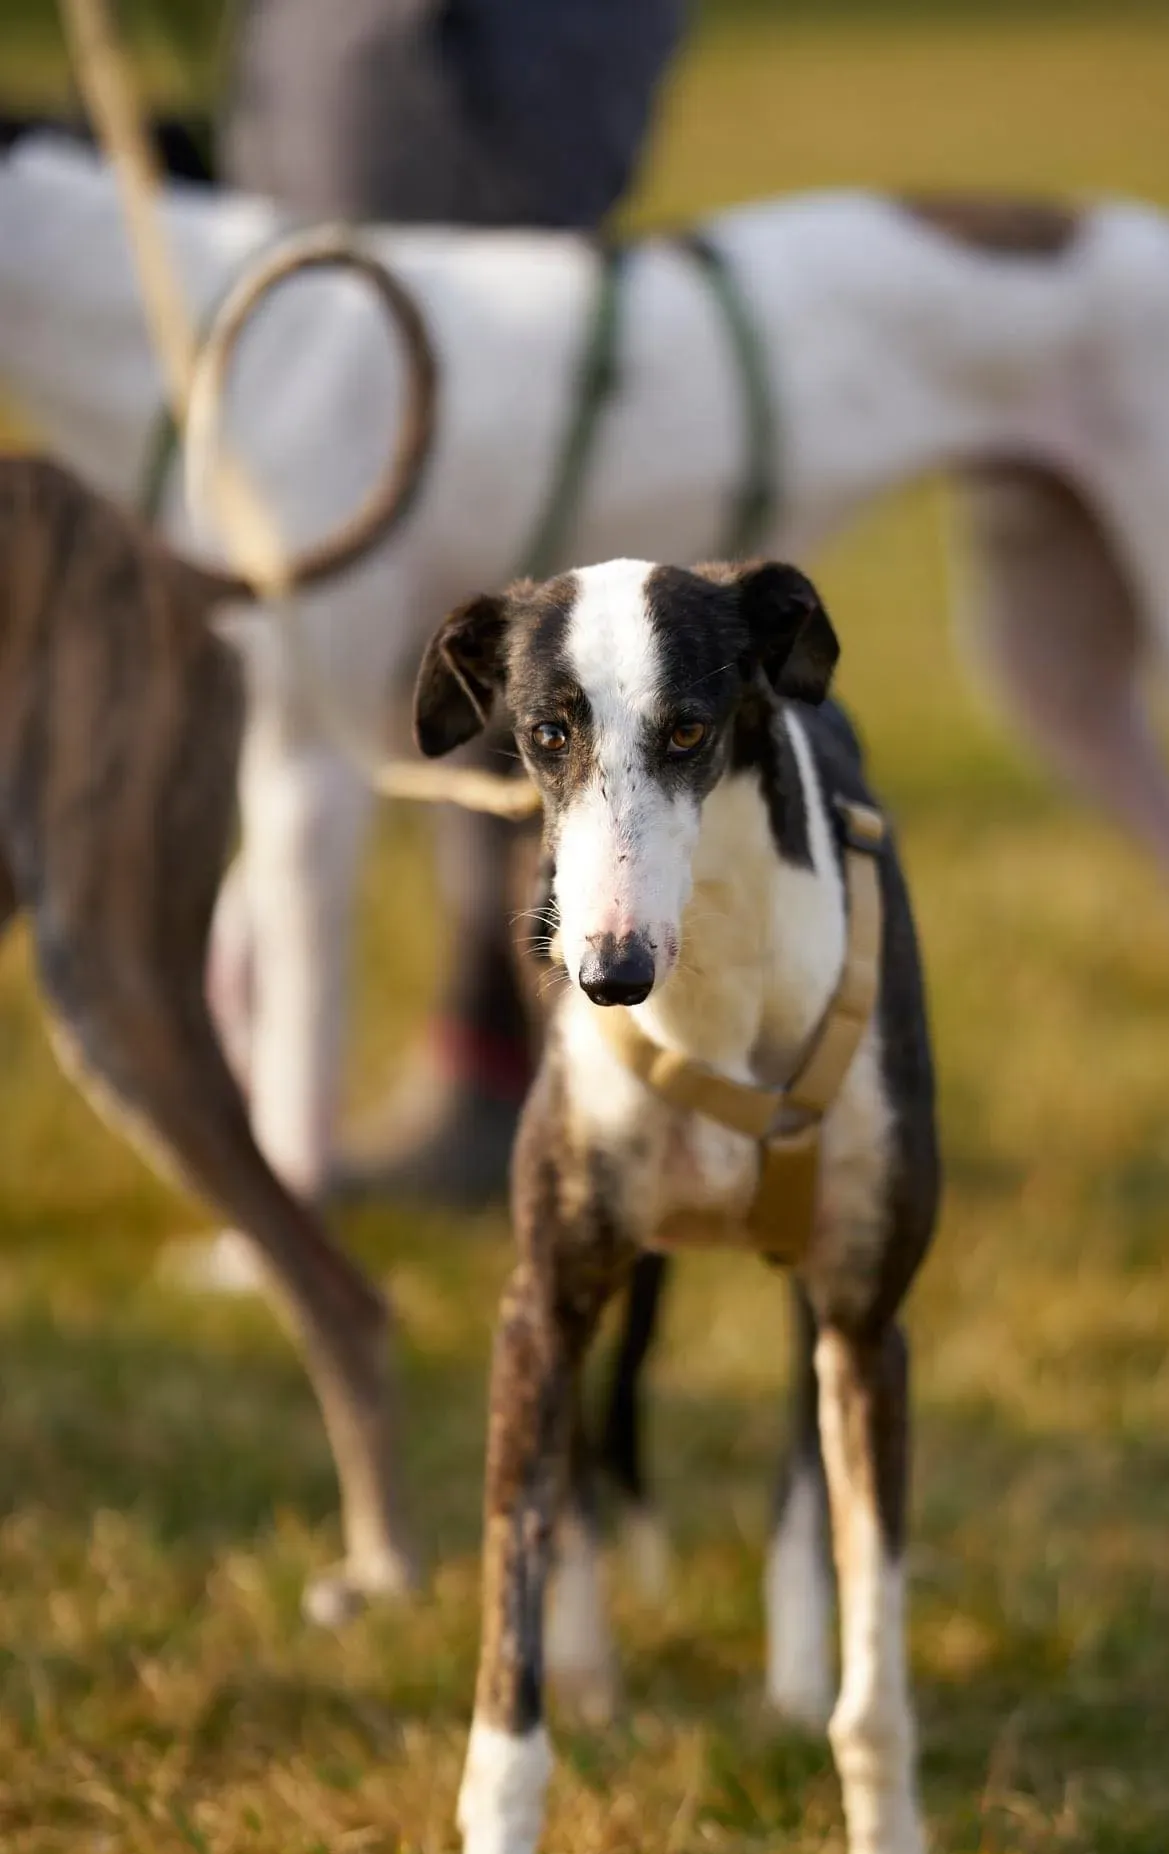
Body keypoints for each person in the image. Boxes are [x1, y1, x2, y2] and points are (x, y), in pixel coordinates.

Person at [220, 0, 688, 1205]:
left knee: (501, 620)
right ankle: (524, 1079)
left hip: (461, 115)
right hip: (327, 91)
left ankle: (550, 1083)